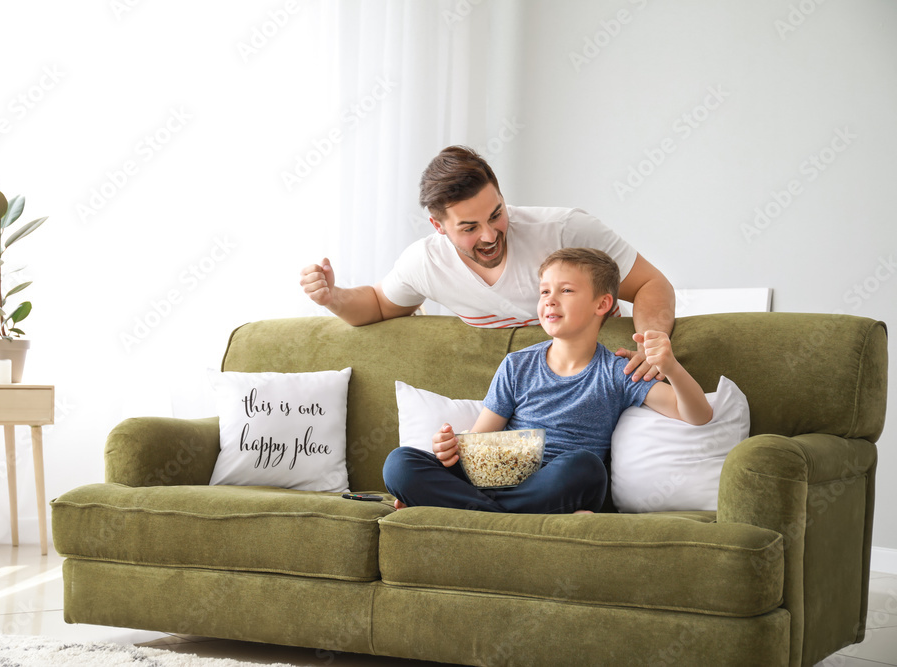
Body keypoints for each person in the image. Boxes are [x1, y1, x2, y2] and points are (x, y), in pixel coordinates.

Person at [300, 145, 676, 383]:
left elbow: (650, 284)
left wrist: (652, 343)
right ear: (438, 227)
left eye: (496, 214)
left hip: (599, 376)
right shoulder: (425, 262)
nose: (489, 235)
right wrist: (333, 297)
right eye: (468, 227)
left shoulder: (565, 229)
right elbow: (379, 305)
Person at [381, 248, 712, 514]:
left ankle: (462, 509)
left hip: (558, 478)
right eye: (544, 291)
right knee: (400, 463)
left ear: (603, 304)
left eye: (566, 290)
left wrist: (669, 366)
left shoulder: (617, 371)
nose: (550, 299)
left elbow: (698, 414)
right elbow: (481, 442)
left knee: (587, 467)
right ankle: (499, 515)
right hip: (503, 466)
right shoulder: (517, 365)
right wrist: (450, 449)